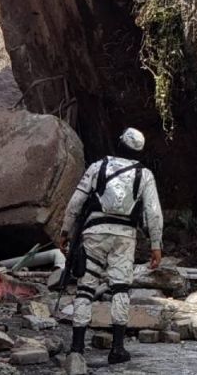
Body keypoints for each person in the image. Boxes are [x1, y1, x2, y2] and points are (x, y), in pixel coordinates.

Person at [60, 128, 164, 365]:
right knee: (120, 288)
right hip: (125, 236)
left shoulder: (97, 167)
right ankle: (117, 348)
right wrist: (156, 245)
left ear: (119, 144)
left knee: (86, 287)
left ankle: (77, 347)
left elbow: (76, 202)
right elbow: (153, 212)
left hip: (94, 232)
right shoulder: (145, 174)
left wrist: (65, 231)